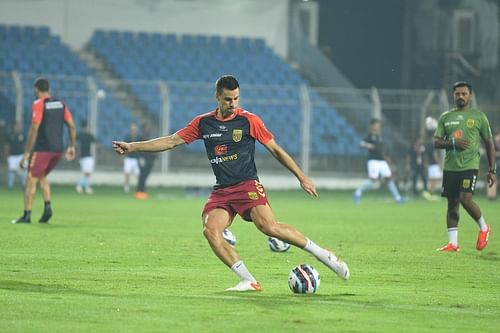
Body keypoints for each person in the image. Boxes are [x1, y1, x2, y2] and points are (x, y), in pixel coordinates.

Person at [112, 75, 350, 291]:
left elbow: (275, 149)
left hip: (247, 184)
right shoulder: (203, 123)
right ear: (217, 97)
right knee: (210, 229)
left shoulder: (249, 121)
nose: (233, 103)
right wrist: (133, 146)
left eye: (236, 98)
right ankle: (249, 280)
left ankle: (323, 255)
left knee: (269, 227)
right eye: (228, 99)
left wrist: (301, 176)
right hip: (222, 190)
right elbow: (171, 141)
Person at [434, 81, 496, 252]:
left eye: (464, 93)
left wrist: (492, 170)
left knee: (465, 199)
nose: (460, 96)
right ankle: (453, 243)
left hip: (469, 166)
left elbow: (489, 143)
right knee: (452, 203)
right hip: (450, 167)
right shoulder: (445, 117)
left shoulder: (478, 117)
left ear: (470, 96)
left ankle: (484, 228)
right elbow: (436, 142)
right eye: (457, 94)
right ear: (453, 96)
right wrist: (453, 143)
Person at [11, 77, 76, 224]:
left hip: (43, 149)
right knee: (42, 176)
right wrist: (71, 146)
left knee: (31, 180)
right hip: (58, 150)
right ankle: (47, 208)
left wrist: (27, 153)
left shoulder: (39, 104)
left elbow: (34, 128)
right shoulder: (61, 104)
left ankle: (26, 215)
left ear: (36, 89)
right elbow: (72, 126)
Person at [353, 118, 406, 204]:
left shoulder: (379, 137)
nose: (378, 126)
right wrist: (369, 145)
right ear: (372, 126)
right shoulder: (369, 136)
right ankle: (357, 192)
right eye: (377, 124)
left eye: (379, 125)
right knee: (373, 181)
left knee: (388, 178)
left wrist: (385, 157)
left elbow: (379, 149)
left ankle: (397, 198)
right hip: (373, 161)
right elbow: (361, 144)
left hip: (381, 161)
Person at [135, 123, 157, 199]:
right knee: (142, 176)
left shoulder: (149, 136)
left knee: (145, 176)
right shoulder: (140, 137)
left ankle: (142, 191)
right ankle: (139, 191)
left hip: (150, 159)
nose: (148, 129)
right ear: (144, 128)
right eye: (147, 127)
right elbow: (138, 148)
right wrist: (140, 158)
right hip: (143, 159)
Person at [76, 120, 97, 194]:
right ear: (87, 126)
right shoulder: (89, 135)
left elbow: (74, 142)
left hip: (81, 156)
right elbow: (96, 142)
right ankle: (80, 186)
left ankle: (86, 187)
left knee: (86, 173)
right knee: (87, 173)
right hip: (88, 156)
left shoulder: (79, 135)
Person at [5, 122, 26, 190]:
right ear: (14, 127)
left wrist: (25, 155)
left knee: (23, 170)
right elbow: (7, 146)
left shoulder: (22, 135)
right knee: (11, 171)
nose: (17, 128)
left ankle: (24, 185)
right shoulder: (10, 135)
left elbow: (25, 146)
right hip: (12, 156)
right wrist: (7, 156)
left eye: (18, 126)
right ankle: (10, 186)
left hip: (21, 155)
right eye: (16, 126)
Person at [123, 123, 140, 193]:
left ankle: (139, 187)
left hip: (136, 159)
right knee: (127, 173)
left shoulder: (139, 138)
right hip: (129, 158)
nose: (133, 131)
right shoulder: (127, 137)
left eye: (135, 129)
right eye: (132, 129)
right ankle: (126, 187)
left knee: (138, 174)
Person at [486, 130, 500, 201]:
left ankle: (492, 195)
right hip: (494, 163)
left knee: (494, 179)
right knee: (493, 178)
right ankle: (491, 195)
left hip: (494, 162)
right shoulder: (494, 143)